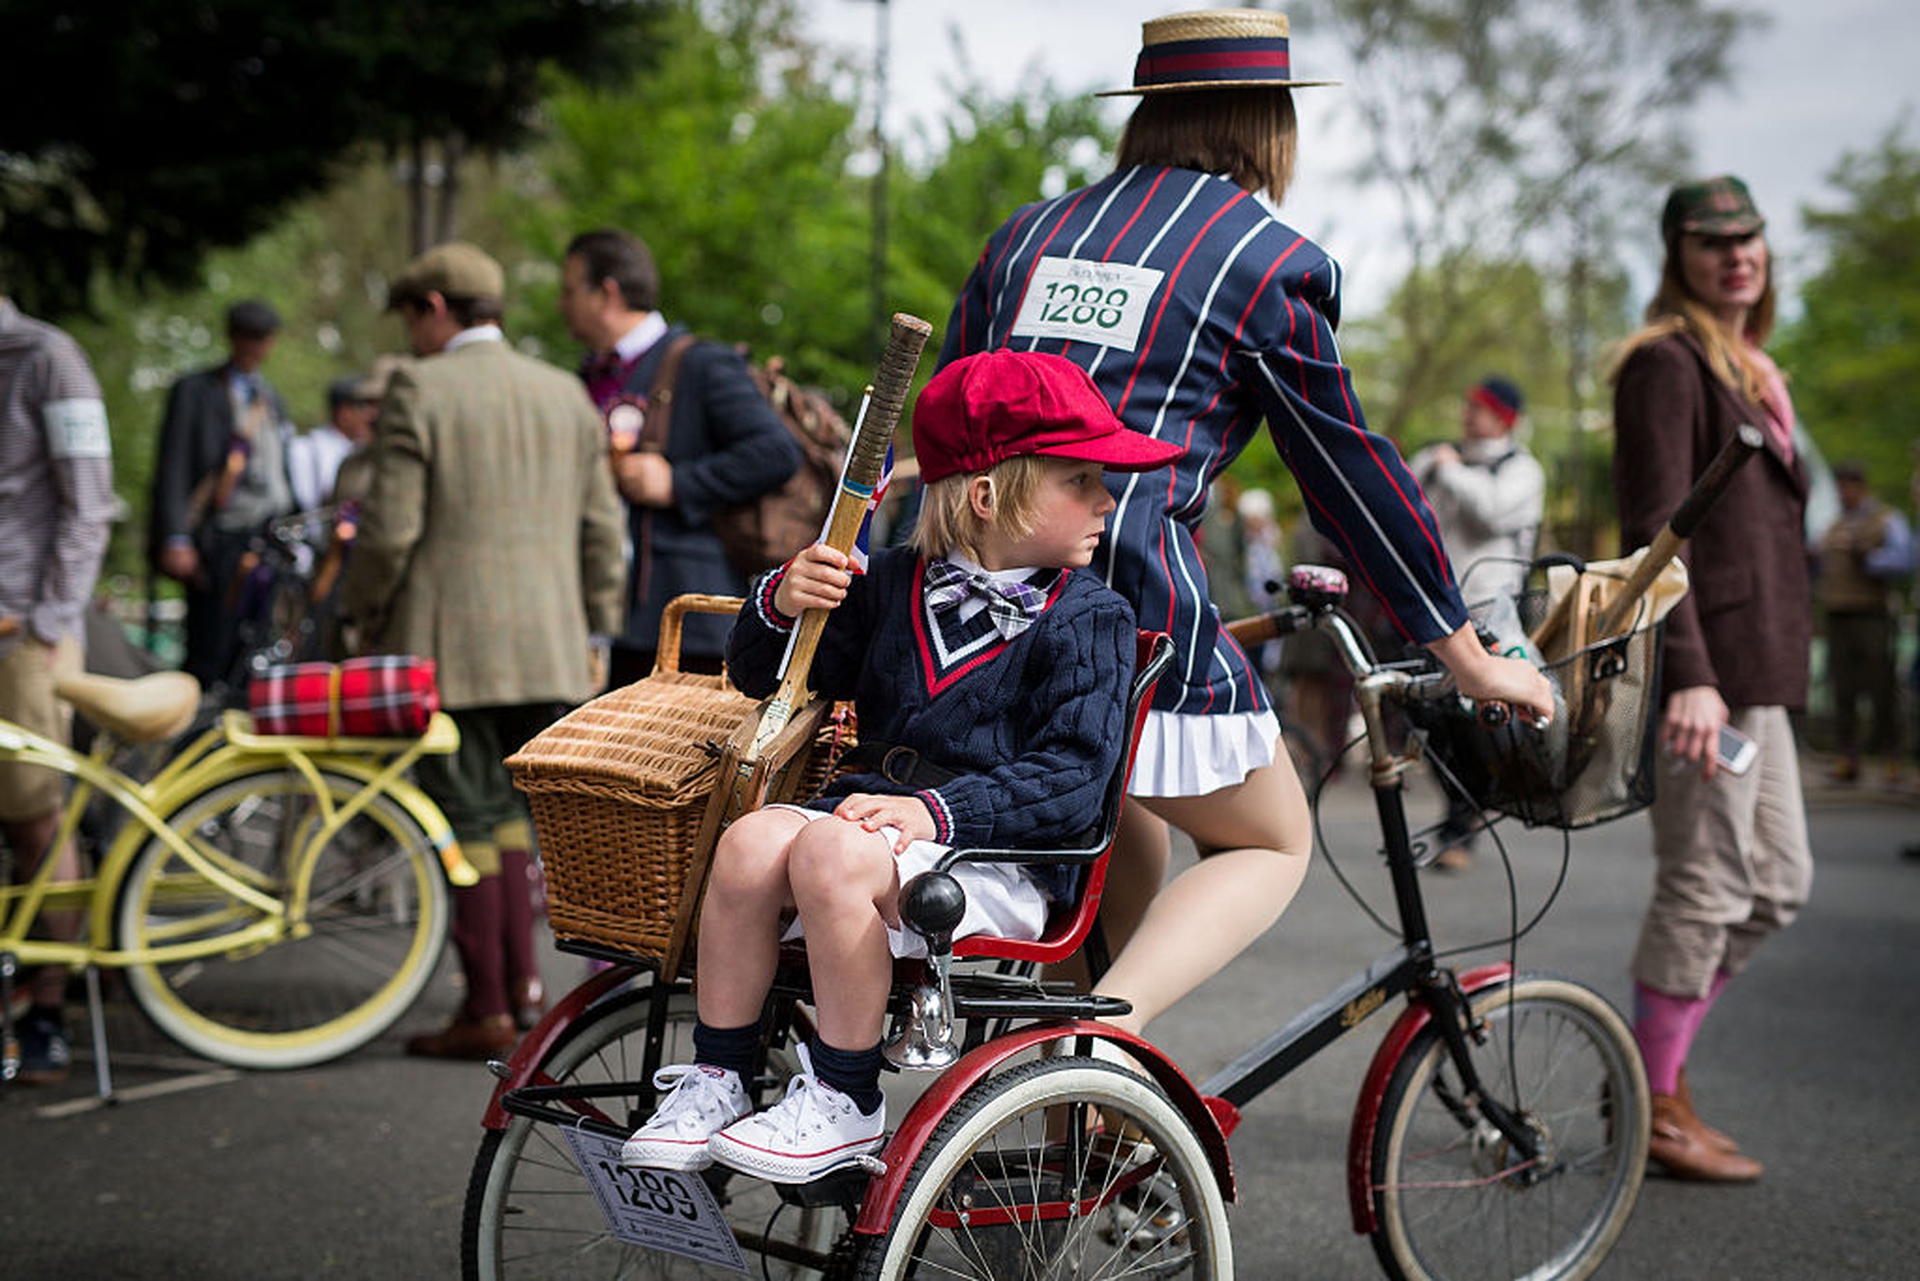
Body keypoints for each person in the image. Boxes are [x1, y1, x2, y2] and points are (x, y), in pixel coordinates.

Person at [938, 8, 1553, 1045]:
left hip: (961, 605)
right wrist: (1468, 656)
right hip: (1121, 609)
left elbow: (946, 411)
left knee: (1122, 833)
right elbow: (1350, 476)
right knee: (1269, 840)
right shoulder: (1267, 264)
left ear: (1146, 113)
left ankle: (1076, 1125)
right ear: (1272, 124)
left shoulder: (1029, 235)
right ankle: (1090, 1044)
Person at [618, 349, 1184, 1181]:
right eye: (1082, 479)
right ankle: (720, 1075)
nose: (1107, 499)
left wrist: (935, 814)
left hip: (992, 858)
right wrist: (782, 602)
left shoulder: (1091, 616)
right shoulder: (886, 582)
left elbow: (1074, 783)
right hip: (872, 834)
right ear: (992, 495)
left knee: (829, 850)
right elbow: (761, 676)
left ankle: (847, 1097)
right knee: (746, 843)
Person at [340, 242, 626, 1059]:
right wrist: (596, 630)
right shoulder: (564, 392)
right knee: (511, 825)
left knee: (468, 824)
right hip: (553, 648)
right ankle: (520, 999)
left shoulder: (418, 388)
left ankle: (488, 1007)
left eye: (410, 315)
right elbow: (602, 531)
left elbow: (389, 531)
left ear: (434, 308)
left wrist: (360, 615)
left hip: (450, 650)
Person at [1609, 174, 1811, 1182]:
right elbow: (1657, 527)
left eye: (1749, 235)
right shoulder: (1667, 364)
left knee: (1777, 885)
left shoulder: (1752, 365)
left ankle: (1650, 1075)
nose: (1736, 253)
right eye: (1710, 240)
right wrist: (1687, 671)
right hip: (1708, 676)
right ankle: (1652, 1103)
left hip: (1759, 671)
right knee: (1709, 884)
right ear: (1676, 255)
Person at [557, 228, 800, 686]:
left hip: (688, 622)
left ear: (607, 292)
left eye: (570, 291)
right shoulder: (587, 374)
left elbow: (775, 452)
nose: (561, 304)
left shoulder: (700, 362)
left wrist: (677, 483)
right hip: (609, 617)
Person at [0, 291, 115, 1082]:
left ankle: (48, 1006)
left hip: (19, 635)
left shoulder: (48, 357)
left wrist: (44, 627)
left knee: (39, 817)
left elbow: (89, 505)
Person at [1408, 376, 1546, 870]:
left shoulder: (1522, 470)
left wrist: (1449, 471)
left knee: (1474, 722)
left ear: (1503, 417)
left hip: (1491, 614)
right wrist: (1435, 467)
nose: (1469, 414)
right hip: (1433, 609)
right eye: (1468, 404)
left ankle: (1462, 825)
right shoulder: (1442, 459)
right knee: (1427, 718)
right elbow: (1406, 502)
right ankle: (1461, 818)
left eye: (1481, 408)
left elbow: (1490, 513)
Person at [148, 299, 298, 687]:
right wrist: (176, 537)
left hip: (265, 536)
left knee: (256, 645)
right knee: (209, 644)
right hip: (218, 539)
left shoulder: (270, 397)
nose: (254, 347)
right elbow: (174, 465)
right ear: (232, 337)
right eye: (247, 337)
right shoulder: (195, 390)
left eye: (262, 339)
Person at [1815, 460, 1912, 785]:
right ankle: (1848, 758)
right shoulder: (1834, 524)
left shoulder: (1886, 520)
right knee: (1842, 690)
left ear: (1860, 487)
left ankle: (1891, 757)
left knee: (1882, 688)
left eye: (1847, 486)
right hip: (1838, 615)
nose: (1843, 493)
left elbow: (1905, 559)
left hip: (1872, 615)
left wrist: (1867, 559)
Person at [286, 373, 382, 512]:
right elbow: (307, 502)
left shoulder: (363, 449)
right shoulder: (305, 448)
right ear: (343, 412)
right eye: (363, 406)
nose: (370, 416)